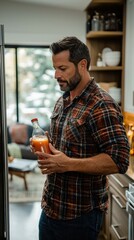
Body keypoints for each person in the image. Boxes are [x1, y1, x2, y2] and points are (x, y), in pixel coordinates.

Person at [31, 36, 130, 240]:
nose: (56, 74)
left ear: (82, 65)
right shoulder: (63, 99)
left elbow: (119, 160)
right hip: (50, 207)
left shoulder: (101, 104)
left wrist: (67, 164)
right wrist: (46, 147)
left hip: (79, 217)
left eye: (62, 68)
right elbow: (64, 145)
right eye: (54, 68)